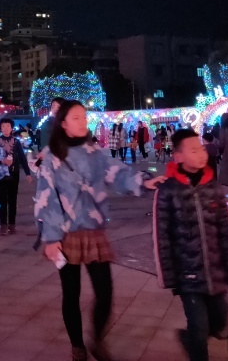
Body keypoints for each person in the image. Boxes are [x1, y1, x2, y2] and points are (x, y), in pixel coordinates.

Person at [36, 100, 161, 361]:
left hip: (94, 230)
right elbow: (46, 198)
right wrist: (50, 239)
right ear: (63, 124)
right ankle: (77, 346)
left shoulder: (95, 152)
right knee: (71, 293)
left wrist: (145, 182)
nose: (84, 122)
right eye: (77, 118)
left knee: (105, 292)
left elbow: (118, 173)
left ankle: (97, 338)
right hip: (66, 234)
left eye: (84, 117)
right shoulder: (52, 158)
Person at [154, 129, 228, 361]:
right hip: (188, 275)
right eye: (193, 150)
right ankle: (196, 346)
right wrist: (169, 276)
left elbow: (226, 230)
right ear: (179, 156)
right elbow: (162, 236)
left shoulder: (213, 187)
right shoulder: (168, 190)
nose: (201, 154)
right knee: (199, 326)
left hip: (215, 271)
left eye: (201, 148)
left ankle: (190, 340)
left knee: (221, 318)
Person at [0, 118, 32, 235]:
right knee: (3, 201)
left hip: (14, 175)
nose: (5, 128)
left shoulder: (16, 142)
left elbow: (22, 158)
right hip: (0, 175)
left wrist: (28, 173)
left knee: (13, 201)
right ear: (0, 127)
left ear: (11, 128)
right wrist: (2, 161)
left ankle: (12, 225)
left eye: (8, 126)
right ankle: (3, 226)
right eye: (3, 126)